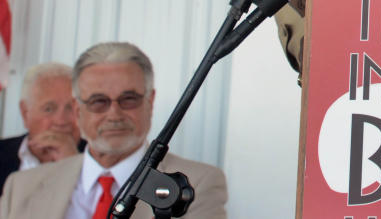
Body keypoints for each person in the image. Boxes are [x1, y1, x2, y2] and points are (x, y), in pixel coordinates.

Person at [0, 42, 227, 219]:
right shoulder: (21, 186)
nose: (114, 114)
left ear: (150, 101)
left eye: (128, 99)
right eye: (99, 101)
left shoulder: (197, 183)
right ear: (78, 109)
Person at [0, 63, 84, 193]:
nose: (61, 121)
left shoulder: (101, 160)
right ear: (25, 113)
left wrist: (72, 165)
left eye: (70, 108)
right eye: (49, 109)